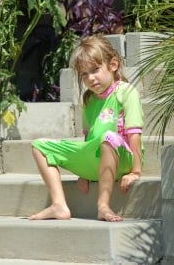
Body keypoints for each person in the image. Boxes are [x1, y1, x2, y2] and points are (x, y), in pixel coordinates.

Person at [29, 34, 143, 222]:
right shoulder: (88, 99)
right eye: (84, 74)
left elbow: (134, 136)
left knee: (108, 137)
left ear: (113, 65)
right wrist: (85, 171)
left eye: (95, 70)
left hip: (123, 158)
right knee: (39, 145)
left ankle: (103, 206)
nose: (90, 78)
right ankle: (58, 205)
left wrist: (135, 172)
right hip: (98, 157)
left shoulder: (126, 92)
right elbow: (89, 139)